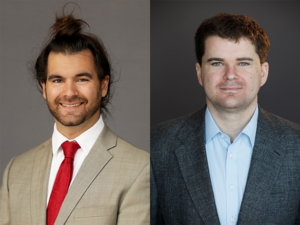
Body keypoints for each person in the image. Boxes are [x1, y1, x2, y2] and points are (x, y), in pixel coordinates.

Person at [0, 8, 149, 225]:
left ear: (103, 85)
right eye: (57, 80)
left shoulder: (140, 169)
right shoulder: (16, 170)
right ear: (44, 87)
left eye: (82, 79)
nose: (69, 93)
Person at [151, 13, 300, 225]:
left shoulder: (297, 146)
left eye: (244, 63)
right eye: (217, 63)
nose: (230, 75)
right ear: (199, 73)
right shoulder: (157, 145)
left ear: (263, 73)